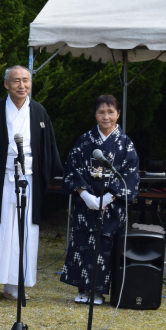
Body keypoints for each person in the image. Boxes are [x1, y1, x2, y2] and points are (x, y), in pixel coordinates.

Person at [0, 65, 62, 302]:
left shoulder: (39, 112)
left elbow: (48, 151)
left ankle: (15, 284)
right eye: (16, 81)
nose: (22, 85)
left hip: (28, 180)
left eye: (26, 81)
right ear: (6, 84)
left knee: (24, 233)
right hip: (0, 180)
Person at [60, 95, 139, 305]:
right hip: (85, 202)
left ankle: (100, 291)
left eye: (111, 112)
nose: (106, 116)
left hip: (111, 205)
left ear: (118, 114)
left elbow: (129, 174)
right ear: (95, 114)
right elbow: (72, 167)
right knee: (83, 243)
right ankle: (84, 290)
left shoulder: (125, 143)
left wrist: (106, 198)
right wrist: (85, 196)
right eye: (101, 112)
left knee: (105, 245)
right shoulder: (84, 140)